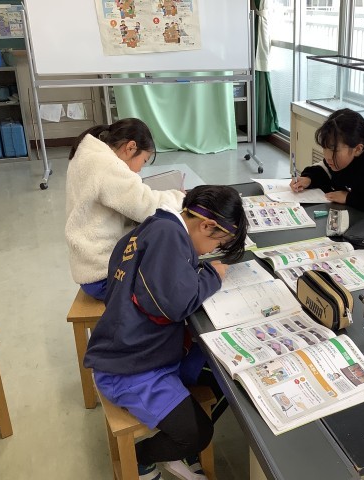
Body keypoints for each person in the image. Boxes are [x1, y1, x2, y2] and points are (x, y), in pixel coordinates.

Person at [84, 185, 247, 480]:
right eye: (218, 243)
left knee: (220, 371)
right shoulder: (169, 237)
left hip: (139, 347)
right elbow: (176, 304)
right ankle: (140, 459)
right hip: (129, 369)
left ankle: (175, 440)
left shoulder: (157, 225)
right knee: (198, 433)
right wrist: (213, 275)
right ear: (206, 225)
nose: (212, 252)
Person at [65, 118, 185, 301]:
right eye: (143, 160)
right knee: (172, 281)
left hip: (89, 268)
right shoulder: (107, 166)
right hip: (105, 276)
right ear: (130, 147)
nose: (139, 170)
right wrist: (181, 198)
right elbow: (146, 205)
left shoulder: (89, 154)